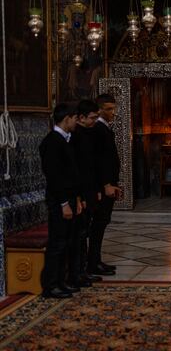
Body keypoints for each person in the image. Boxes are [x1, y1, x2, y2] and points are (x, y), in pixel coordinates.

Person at [39, 103, 82, 298]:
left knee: (67, 242)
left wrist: (77, 199)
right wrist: (64, 203)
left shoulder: (66, 140)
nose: (76, 122)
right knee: (57, 244)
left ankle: (61, 281)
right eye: (75, 118)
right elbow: (55, 177)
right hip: (59, 201)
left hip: (70, 198)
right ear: (67, 119)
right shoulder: (52, 142)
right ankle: (50, 285)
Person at [87, 93, 120, 276]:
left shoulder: (105, 128)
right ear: (99, 110)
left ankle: (96, 260)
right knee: (98, 223)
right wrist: (106, 183)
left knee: (103, 222)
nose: (112, 112)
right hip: (103, 185)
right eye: (108, 109)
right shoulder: (98, 129)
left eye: (113, 108)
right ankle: (92, 262)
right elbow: (99, 161)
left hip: (109, 183)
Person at [71, 99, 102, 285]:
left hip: (89, 191)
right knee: (80, 234)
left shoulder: (88, 134)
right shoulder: (76, 137)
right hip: (81, 193)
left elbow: (92, 166)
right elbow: (78, 170)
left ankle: (83, 269)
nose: (94, 121)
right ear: (80, 118)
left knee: (85, 232)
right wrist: (80, 197)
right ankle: (78, 272)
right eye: (92, 118)